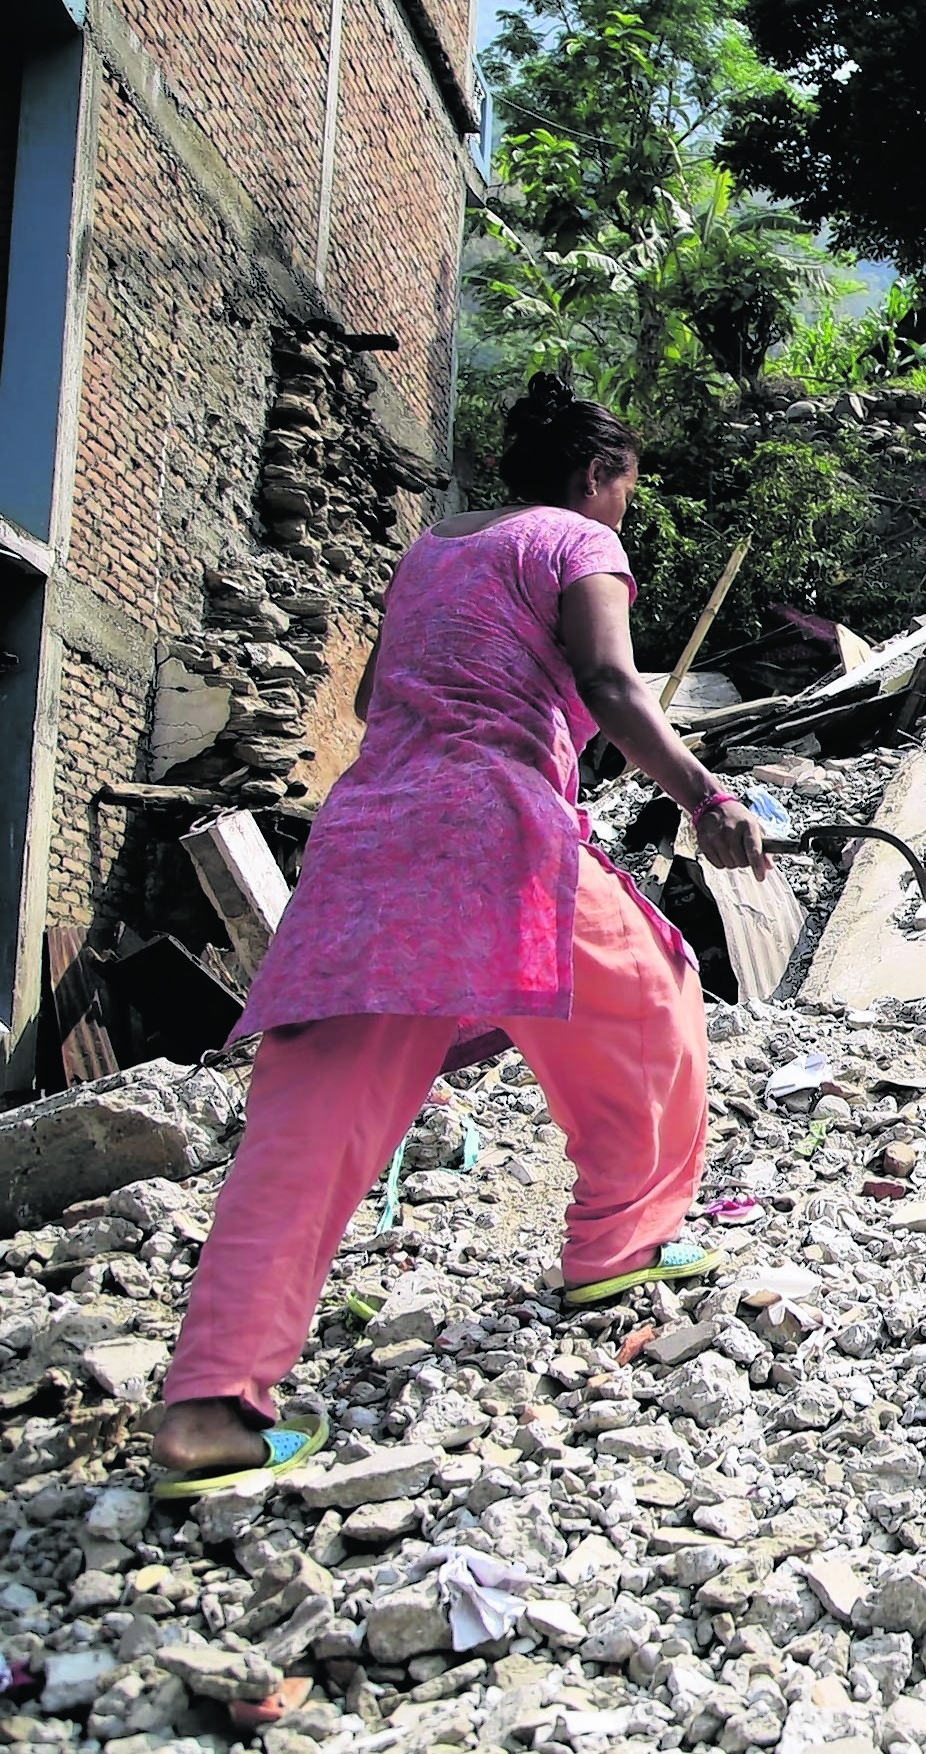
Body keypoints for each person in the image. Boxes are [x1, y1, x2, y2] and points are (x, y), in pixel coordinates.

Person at [145, 376, 770, 1499]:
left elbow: (379, 690)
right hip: (496, 833)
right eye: (625, 493)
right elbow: (609, 682)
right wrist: (704, 798)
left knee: (311, 1117)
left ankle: (210, 1406)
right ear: (597, 478)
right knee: (651, 991)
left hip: (368, 841)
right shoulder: (577, 538)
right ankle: (621, 1242)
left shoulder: (431, 552)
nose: (622, 516)